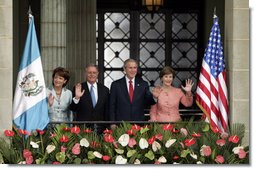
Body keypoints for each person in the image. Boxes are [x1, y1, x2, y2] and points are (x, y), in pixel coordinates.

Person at [109, 59, 156, 123]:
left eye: (135, 68)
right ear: (125, 69)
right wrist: (112, 123)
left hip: (138, 123)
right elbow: (112, 105)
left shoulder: (143, 84)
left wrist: (154, 96)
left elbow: (149, 102)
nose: (133, 70)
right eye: (130, 68)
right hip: (121, 123)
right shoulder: (116, 85)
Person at [69, 64, 110, 133]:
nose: (92, 75)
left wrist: (107, 127)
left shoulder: (105, 90)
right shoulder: (79, 88)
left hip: (100, 129)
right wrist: (77, 98)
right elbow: (73, 109)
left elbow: (107, 110)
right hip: (82, 129)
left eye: (94, 72)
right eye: (89, 72)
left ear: (98, 74)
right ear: (86, 73)